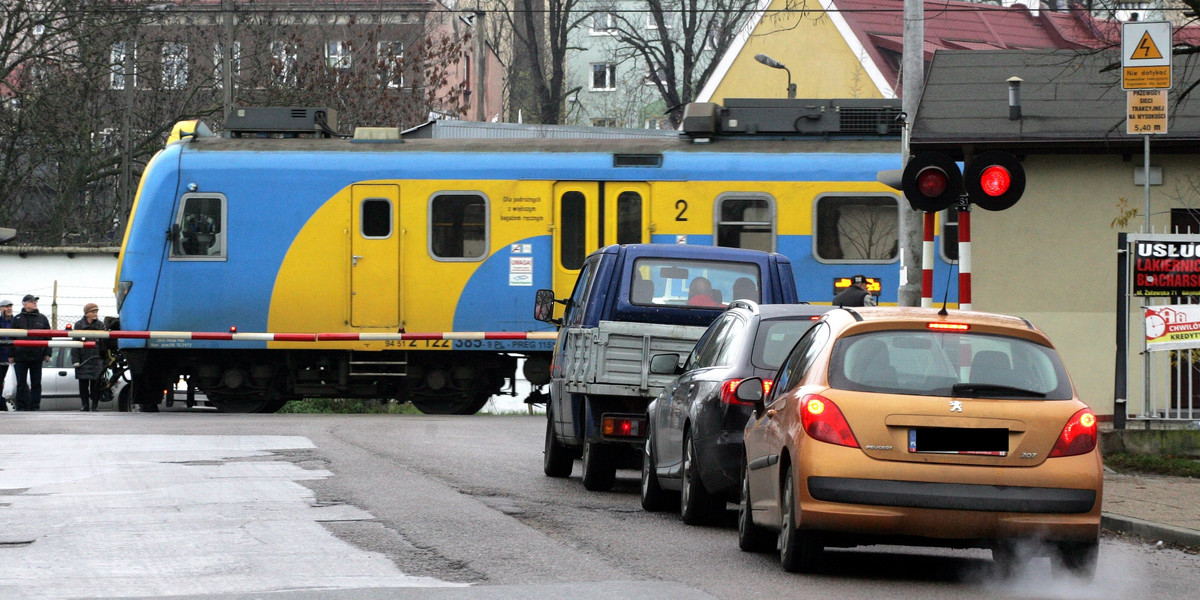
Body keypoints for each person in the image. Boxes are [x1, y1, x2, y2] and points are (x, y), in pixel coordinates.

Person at [9, 294, 52, 411]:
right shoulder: (17, 319)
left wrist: (47, 353)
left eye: (35, 301)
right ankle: (21, 407)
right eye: (32, 301)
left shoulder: (42, 318)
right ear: (25, 304)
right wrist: (11, 355)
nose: (35, 303)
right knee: (21, 383)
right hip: (21, 356)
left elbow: (48, 337)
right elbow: (11, 338)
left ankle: (35, 407)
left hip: (37, 356)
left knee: (36, 383)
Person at [71, 303, 107, 411]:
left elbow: (104, 344)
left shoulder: (101, 325)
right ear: (86, 313)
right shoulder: (78, 325)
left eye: (96, 312)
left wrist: (105, 360)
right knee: (83, 385)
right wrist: (76, 360)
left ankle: (95, 405)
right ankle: (85, 405)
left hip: (97, 359)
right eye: (93, 312)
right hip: (83, 359)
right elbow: (75, 345)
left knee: (96, 385)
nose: (95, 314)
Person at [0, 299, 13, 404]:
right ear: (1, 309)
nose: (9, 308)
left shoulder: (16, 321)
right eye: (6, 306)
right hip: (1, 359)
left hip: (13, 360)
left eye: (10, 306)